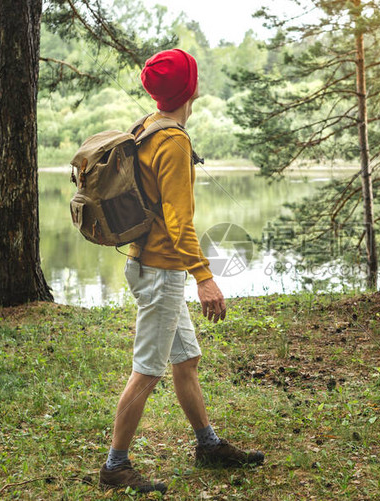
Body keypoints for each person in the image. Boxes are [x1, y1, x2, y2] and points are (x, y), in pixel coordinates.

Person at [98, 48, 264, 495]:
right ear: (190, 88)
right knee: (147, 370)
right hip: (161, 272)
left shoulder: (147, 126)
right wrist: (204, 276)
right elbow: (178, 221)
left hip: (145, 263)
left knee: (185, 359)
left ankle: (207, 446)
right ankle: (115, 466)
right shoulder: (172, 141)